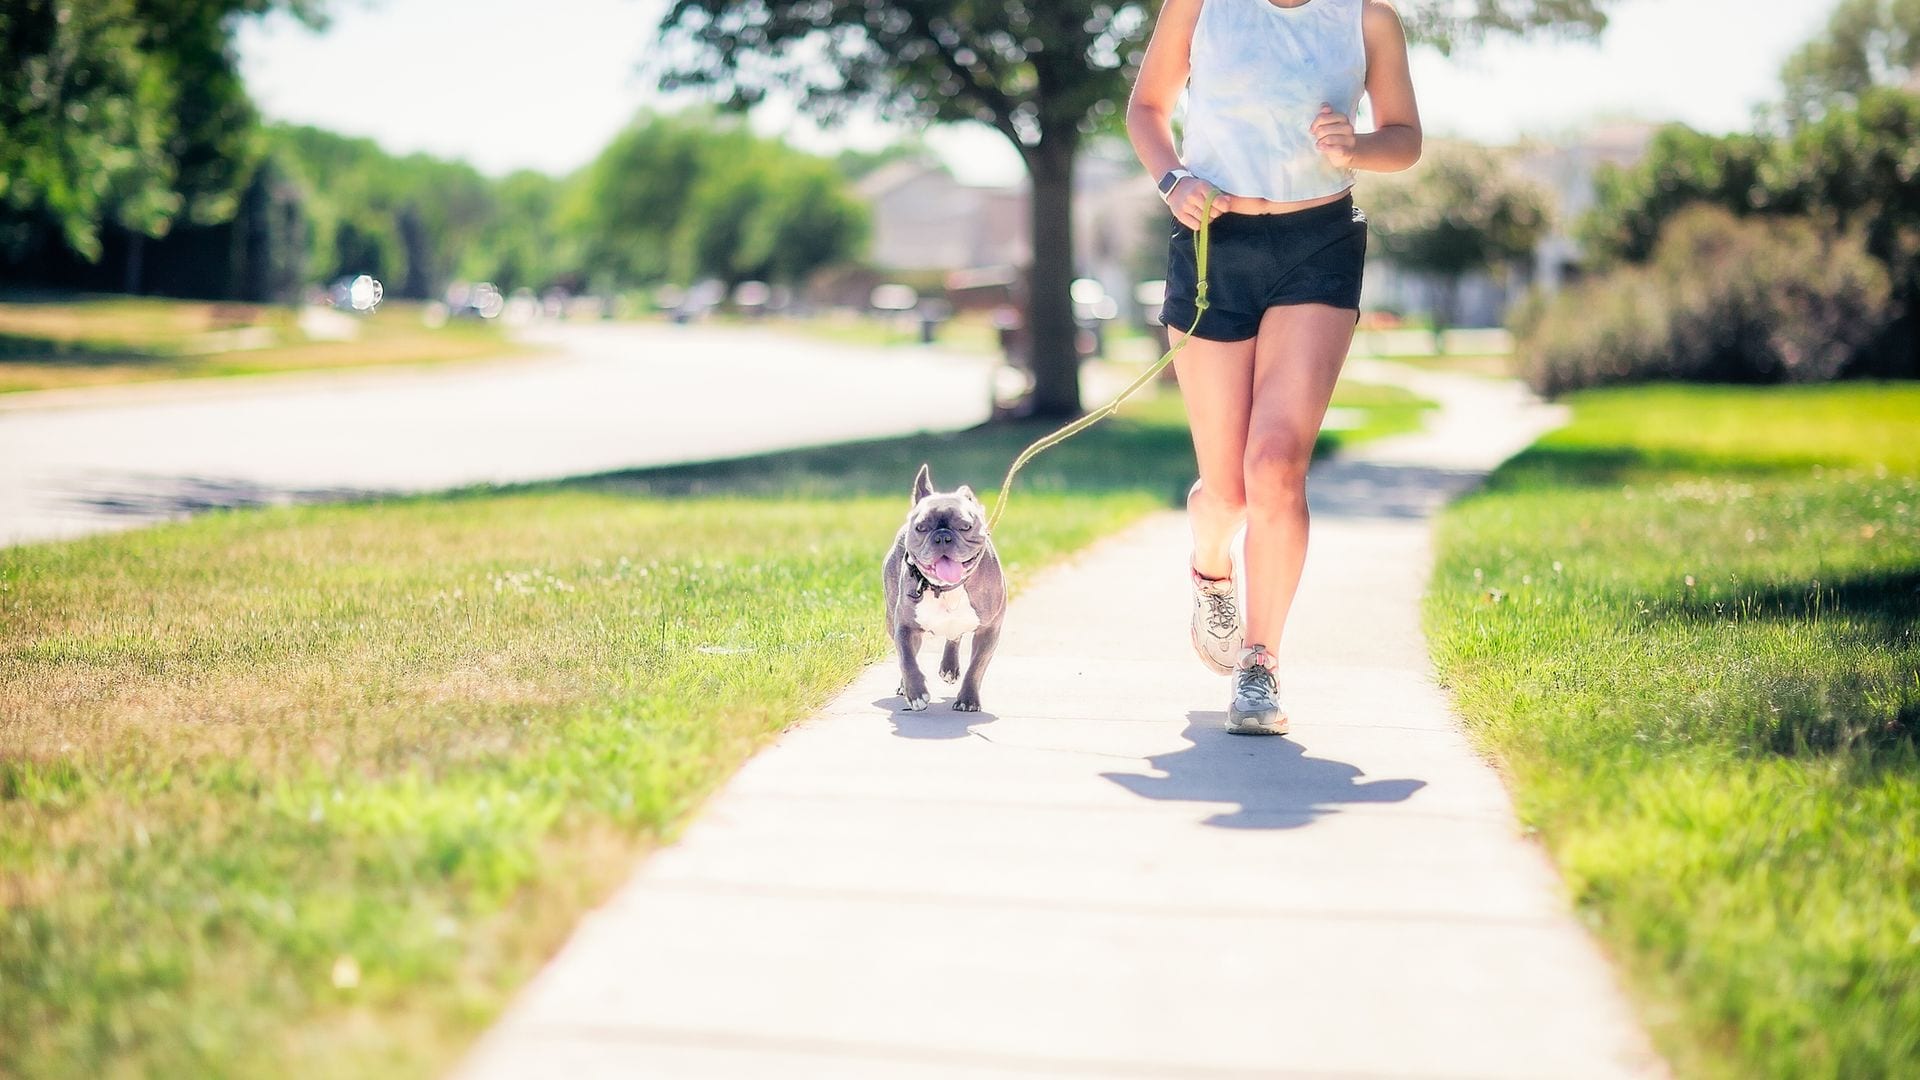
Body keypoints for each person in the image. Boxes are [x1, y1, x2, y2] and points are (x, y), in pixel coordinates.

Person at [1126, 0, 1421, 734]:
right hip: (1212, 245)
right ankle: (1210, 564)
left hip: (1319, 244)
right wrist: (1173, 181)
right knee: (1226, 494)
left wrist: (1357, 146)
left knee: (1276, 466)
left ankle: (1261, 664)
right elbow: (1148, 108)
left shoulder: (1368, 19)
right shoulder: (1198, 6)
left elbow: (1406, 140)